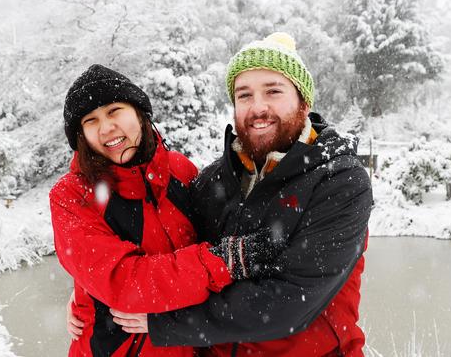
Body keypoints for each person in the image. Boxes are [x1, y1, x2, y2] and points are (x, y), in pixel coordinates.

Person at [108, 32, 374, 357]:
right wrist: (85, 297)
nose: (258, 107)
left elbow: (289, 303)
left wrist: (165, 323)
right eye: (244, 95)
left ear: (304, 102)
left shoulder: (339, 181)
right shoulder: (213, 180)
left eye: (273, 91)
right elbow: (163, 251)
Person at [50, 64, 283, 357]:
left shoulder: (179, 170)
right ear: (81, 135)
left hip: (191, 343)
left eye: (114, 111)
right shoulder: (71, 196)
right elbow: (124, 283)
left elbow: (217, 236)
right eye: (91, 120)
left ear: (139, 113)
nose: (106, 127)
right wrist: (224, 261)